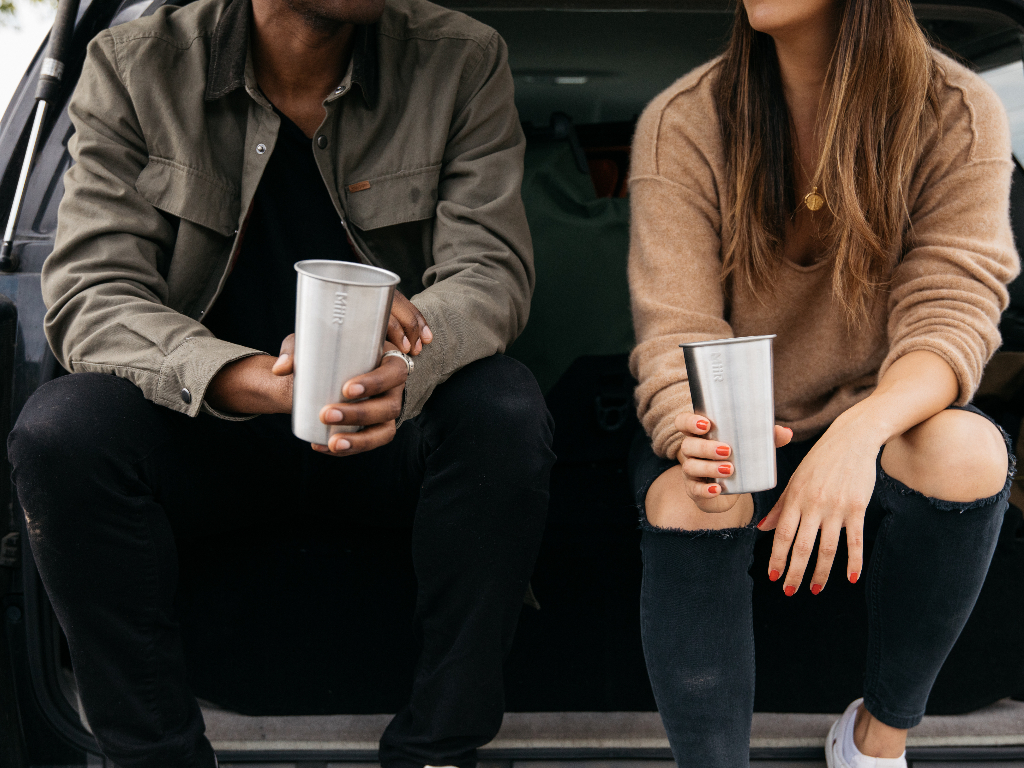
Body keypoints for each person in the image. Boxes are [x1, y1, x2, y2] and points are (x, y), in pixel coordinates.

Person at [6, 0, 555, 764]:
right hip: (212, 436)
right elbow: (92, 295)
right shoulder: (134, 64)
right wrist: (252, 379)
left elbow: (490, 271)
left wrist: (405, 363)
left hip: (388, 431)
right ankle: (155, 755)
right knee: (61, 429)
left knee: (503, 407)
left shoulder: (461, 59)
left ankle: (437, 750)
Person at [626, 0, 1019, 766]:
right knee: (686, 497)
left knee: (969, 452)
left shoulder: (957, 111)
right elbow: (675, 329)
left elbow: (952, 314)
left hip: (877, 423)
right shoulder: (684, 120)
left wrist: (858, 432)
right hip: (737, 423)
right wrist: (697, 440)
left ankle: (877, 740)